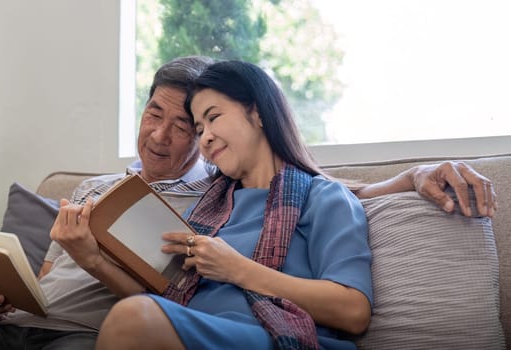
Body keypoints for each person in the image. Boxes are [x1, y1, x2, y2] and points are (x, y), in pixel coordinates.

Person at [0, 56, 497, 349]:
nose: (195, 137)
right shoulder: (209, 208)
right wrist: (76, 255)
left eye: (205, 120)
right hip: (97, 323)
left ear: (258, 113)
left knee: (139, 317)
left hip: (243, 333)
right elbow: (156, 289)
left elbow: (351, 302)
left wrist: (418, 174)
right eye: (188, 123)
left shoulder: (303, 198)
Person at [93, 59, 366, 349]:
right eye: (198, 129)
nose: (206, 137)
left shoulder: (324, 197)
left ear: (258, 112)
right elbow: (160, 295)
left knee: (133, 318)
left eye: (214, 117)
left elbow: (354, 311)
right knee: (134, 316)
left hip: (273, 336)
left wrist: (237, 269)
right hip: (191, 331)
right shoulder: (203, 210)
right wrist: (94, 259)